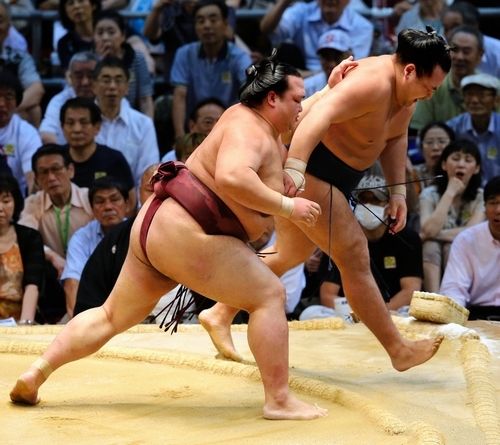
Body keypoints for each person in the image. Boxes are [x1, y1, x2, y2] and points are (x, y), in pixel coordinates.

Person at [9, 54, 330, 421]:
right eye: (296, 99)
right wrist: (289, 208)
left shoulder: (248, 121)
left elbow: (297, 119)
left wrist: (329, 90)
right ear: (272, 98)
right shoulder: (250, 131)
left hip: (157, 224)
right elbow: (232, 177)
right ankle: (279, 400)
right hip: (189, 230)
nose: (301, 107)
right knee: (269, 295)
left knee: (111, 315)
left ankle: (37, 373)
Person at [199, 28, 451, 370]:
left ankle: (219, 312)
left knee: (289, 253)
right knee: (355, 256)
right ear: (409, 71)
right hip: (313, 169)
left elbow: (395, 138)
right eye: (429, 87)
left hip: (338, 177)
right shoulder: (372, 82)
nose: (430, 95)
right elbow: (318, 117)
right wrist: (296, 169)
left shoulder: (407, 95)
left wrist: (397, 192)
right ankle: (398, 350)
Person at [319, 175, 423, 313]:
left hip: (394, 311)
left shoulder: (407, 239)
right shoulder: (342, 238)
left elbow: (410, 290)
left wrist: (378, 316)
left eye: (375, 200)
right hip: (349, 313)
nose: (368, 205)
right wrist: (359, 315)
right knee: (311, 312)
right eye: (363, 200)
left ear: (389, 205)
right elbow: (327, 294)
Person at [19, 144, 94, 323]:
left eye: (56, 169)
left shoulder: (90, 198)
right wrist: (52, 256)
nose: (51, 177)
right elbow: (24, 238)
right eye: (44, 172)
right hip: (53, 278)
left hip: (89, 274)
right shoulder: (33, 203)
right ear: (36, 179)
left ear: (70, 170)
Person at [74, 163, 157, 316]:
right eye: (151, 190)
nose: (159, 195)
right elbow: (88, 302)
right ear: (139, 194)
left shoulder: (197, 230)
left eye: (168, 188)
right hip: (128, 322)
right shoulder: (114, 240)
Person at [170, 0, 251, 139]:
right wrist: (180, 136)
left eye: (213, 20)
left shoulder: (240, 57)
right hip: (196, 127)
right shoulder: (184, 54)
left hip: (231, 126)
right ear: (195, 26)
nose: (207, 26)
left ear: (225, 24)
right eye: (200, 21)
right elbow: (180, 95)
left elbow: (250, 93)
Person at [419, 139, 485, 293]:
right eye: (455, 158)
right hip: (432, 251)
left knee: (452, 246)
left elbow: (471, 233)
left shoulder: (481, 197)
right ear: (444, 165)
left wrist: (435, 235)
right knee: (430, 246)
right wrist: (450, 192)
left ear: (476, 168)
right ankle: (434, 298)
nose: (461, 164)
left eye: (468, 160)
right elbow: (428, 230)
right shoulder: (429, 194)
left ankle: (453, 298)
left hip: (471, 253)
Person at [61, 176, 130, 318]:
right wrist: (79, 323)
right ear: (92, 208)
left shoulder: (139, 232)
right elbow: (72, 283)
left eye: (114, 199)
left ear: (127, 204)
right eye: (100, 201)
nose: (108, 206)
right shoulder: (81, 238)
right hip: (92, 313)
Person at [440, 175, 500, 320]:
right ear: (484, 207)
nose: (498, 209)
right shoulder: (466, 240)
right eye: (493, 202)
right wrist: (454, 318)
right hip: (478, 315)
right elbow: (453, 289)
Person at [93, 56, 159, 187]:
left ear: (127, 86)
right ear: (94, 85)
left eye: (118, 80)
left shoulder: (143, 124)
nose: (112, 86)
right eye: (106, 80)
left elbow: (149, 174)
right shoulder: (82, 123)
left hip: (131, 198)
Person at [60, 97, 136, 210]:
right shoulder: (56, 159)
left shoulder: (114, 159)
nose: (77, 129)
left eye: (83, 122)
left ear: (97, 127)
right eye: (70, 123)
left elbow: (130, 204)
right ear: (62, 127)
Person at [259, 0, 373, 73]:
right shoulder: (302, 11)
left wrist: (304, 76)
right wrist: (284, 2)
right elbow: (267, 30)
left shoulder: (362, 26)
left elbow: (351, 69)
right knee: (285, 52)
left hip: (339, 78)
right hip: (302, 76)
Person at [410, 25, 485, 132]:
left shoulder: (492, 89)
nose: (459, 57)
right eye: (455, 49)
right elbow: (419, 131)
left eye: (466, 51)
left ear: (480, 54)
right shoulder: (429, 86)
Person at [0, 174, 44, 325]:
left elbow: (32, 284)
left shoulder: (30, 237)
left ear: (16, 202)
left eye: (6, 201)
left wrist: (24, 324)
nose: (0, 208)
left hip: (20, 319)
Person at [93, 10, 154, 118]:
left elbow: (145, 100)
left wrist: (148, 126)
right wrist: (100, 62)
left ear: (123, 36)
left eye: (111, 32)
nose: (105, 37)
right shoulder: (90, 61)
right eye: (100, 33)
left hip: (131, 119)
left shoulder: (137, 58)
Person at [446, 73, 500, 186]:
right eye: (469, 94)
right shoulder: (452, 128)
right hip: (462, 190)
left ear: (496, 99)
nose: (474, 100)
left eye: (482, 95)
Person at [0, 0, 45, 127]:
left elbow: (37, 90)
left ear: (9, 27)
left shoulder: (18, 57)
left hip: (7, 114)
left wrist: (6, 108)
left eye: (0, 20)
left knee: (34, 110)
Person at [40, 51, 99, 145]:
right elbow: (46, 134)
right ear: (71, 78)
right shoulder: (59, 101)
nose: (85, 82)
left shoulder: (110, 99)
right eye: (79, 76)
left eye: (91, 76)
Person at [0, 71, 40, 196]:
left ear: (17, 101)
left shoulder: (28, 133)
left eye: (8, 97)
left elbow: (32, 177)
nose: (1, 104)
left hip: (15, 202)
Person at [441, 1, 500, 78]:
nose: (449, 35)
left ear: (473, 26)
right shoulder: (438, 48)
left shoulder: (497, 51)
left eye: (455, 27)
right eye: (446, 29)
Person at [304, 29, 352, 98]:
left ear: (350, 55)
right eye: (326, 57)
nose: (332, 64)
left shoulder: (360, 83)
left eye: (337, 56)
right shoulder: (307, 87)